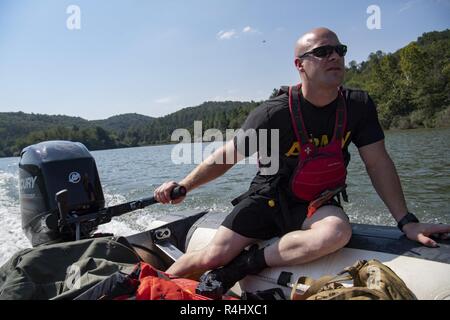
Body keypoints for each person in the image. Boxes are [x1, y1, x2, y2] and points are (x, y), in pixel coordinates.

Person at [154, 27, 450, 294]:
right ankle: (149, 285)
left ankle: (244, 265)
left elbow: (378, 163)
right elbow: (227, 156)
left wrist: (406, 222)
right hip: (267, 198)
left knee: (337, 232)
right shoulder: (274, 114)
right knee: (211, 257)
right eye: (323, 52)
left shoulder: (358, 106)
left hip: (316, 204)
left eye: (339, 50)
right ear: (300, 65)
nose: (334, 56)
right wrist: (184, 185)